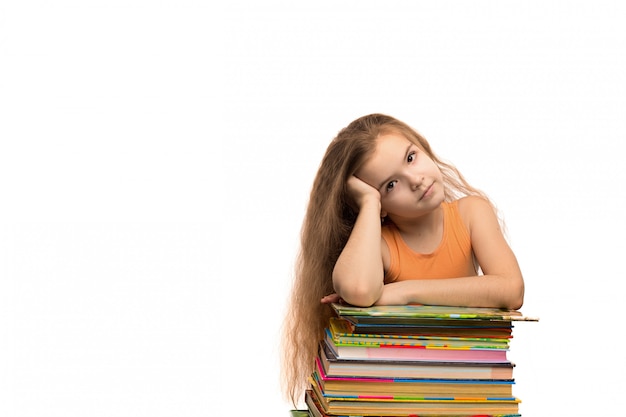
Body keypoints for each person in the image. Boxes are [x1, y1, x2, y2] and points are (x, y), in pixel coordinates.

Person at [281, 113, 524, 405]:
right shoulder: (383, 245)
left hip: (467, 388)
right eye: (390, 185)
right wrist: (369, 204)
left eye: (411, 157)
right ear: (381, 205)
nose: (417, 180)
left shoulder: (471, 214)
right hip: (398, 396)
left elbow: (511, 289)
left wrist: (403, 292)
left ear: (422, 146)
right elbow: (358, 289)